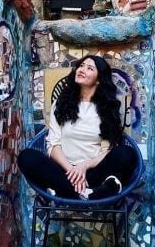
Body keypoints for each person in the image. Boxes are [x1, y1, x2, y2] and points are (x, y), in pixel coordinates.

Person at [18, 55, 137, 199]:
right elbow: (53, 144)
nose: (82, 69)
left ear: (99, 79)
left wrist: (84, 166)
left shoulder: (108, 108)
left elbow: (109, 150)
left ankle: (67, 191)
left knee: (127, 154)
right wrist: (72, 170)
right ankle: (89, 193)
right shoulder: (61, 103)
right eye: (81, 66)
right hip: (64, 172)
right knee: (26, 157)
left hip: (95, 172)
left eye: (89, 68)